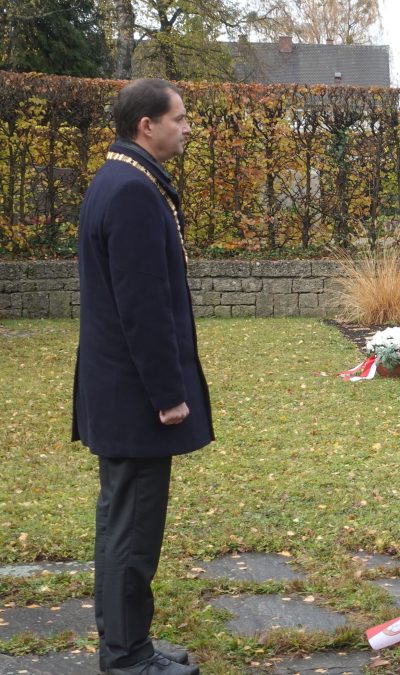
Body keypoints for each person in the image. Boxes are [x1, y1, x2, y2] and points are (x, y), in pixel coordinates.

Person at [73, 78, 213, 675]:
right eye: (178, 118)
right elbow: (143, 307)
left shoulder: (120, 179)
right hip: (136, 399)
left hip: (118, 392)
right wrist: (168, 395)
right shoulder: (131, 190)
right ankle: (128, 658)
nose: (186, 128)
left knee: (121, 522)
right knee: (131, 531)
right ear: (145, 126)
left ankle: (126, 643)